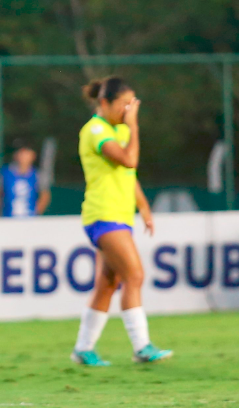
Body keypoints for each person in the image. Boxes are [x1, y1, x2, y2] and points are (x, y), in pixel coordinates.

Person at [70, 76, 172, 367]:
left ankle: (83, 349)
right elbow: (129, 161)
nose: (128, 110)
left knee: (108, 281)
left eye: (132, 104)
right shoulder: (96, 130)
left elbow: (128, 175)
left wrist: (144, 207)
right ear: (105, 103)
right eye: (124, 104)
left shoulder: (116, 130)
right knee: (134, 275)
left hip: (117, 216)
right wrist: (134, 126)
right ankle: (142, 346)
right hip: (104, 216)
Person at [0, 143, 51, 217]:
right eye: (21, 153)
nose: (23, 157)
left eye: (26, 154)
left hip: (30, 218)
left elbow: (45, 195)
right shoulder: (4, 173)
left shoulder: (37, 175)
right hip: (7, 218)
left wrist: (36, 212)